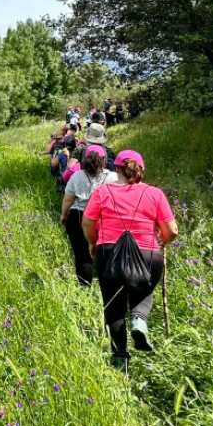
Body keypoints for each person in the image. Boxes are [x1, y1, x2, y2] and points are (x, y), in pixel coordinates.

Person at [82, 149, 178, 371]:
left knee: (114, 307)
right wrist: (163, 241)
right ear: (141, 170)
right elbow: (172, 230)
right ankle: (139, 320)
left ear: (116, 169)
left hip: (109, 253)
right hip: (148, 254)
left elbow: (87, 223)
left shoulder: (103, 192)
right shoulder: (155, 194)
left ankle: (120, 359)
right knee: (144, 289)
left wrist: (92, 242)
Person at [60, 144, 117, 286]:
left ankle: (84, 286)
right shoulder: (113, 177)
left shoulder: (76, 176)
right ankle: (108, 284)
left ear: (85, 159)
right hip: (104, 218)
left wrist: (63, 215)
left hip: (78, 217)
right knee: (107, 253)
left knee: (82, 255)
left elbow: (68, 199)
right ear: (104, 160)